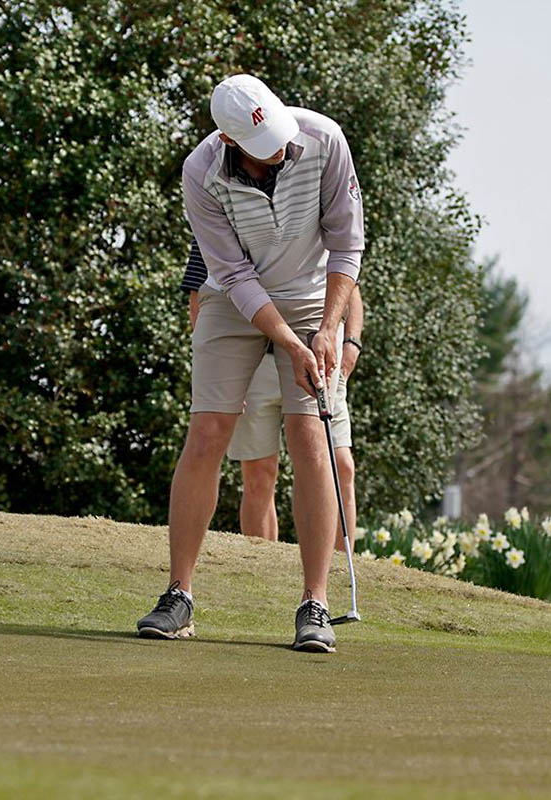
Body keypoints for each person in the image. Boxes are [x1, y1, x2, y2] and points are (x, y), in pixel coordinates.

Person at [136, 74, 364, 653]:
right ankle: (178, 596)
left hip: (313, 293)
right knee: (208, 430)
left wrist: (330, 329)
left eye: (283, 144)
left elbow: (346, 241)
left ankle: (315, 603)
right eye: (267, 153)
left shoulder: (324, 139)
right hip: (232, 298)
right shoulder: (200, 172)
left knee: (308, 434)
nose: (282, 156)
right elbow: (233, 275)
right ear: (229, 142)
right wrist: (288, 342)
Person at [183, 240, 363, 550]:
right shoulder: (219, 212)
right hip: (251, 362)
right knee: (259, 476)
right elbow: (200, 296)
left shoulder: (310, 208)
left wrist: (352, 343)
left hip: (318, 359)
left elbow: (349, 286)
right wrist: (223, 373)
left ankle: (339, 571)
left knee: (340, 465)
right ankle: (262, 566)